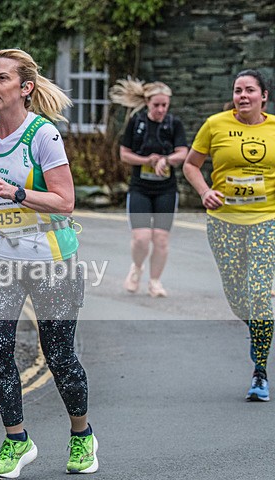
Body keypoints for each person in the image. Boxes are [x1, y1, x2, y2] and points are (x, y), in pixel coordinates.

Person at [0, 49, 97, 480]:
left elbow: (64, 201)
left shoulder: (44, 135)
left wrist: (17, 192)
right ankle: (17, 440)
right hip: (0, 257)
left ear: (26, 88)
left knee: (58, 355)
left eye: (2, 79)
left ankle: (81, 434)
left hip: (51, 257)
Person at [182, 69, 274, 402]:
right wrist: (205, 191)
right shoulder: (215, 124)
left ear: (264, 95)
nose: (243, 96)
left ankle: (259, 372)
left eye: (250, 90)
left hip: (266, 220)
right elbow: (191, 165)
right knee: (238, 298)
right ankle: (258, 330)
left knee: (261, 292)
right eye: (238, 90)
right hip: (224, 221)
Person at [109, 79, 188, 297]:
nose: (161, 109)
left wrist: (167, 160)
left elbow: (183, 152)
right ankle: (136, 268)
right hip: (140, 188)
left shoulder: (174, 124)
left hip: (166, 189)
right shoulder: (136, 122)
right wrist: (146, 160)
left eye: (165, 105)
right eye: (157, 105)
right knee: (142, 238)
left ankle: (155, 282)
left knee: (161, 239)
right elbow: (124, 154)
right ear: (147, 103)